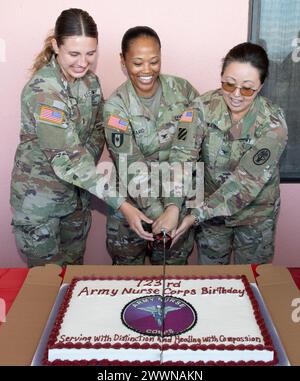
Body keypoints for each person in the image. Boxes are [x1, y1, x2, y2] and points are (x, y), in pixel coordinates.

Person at [10, 9, 152, 268]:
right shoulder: (44, 91)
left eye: (90, 53)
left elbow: (99, 127)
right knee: (46, 285)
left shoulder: (90, 83)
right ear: (56, 46)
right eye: (74, 54)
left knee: (72, 279)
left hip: (76, 200)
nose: (83, 62)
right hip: (41, 206)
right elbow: (70, 161)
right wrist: (123, 205)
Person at [168, 42, 288, 264]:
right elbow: (181, 158)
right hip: (213, 219)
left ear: (261, 86)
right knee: (212, 282)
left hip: (255, 218)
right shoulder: (201, 107)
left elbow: (245, 184)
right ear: (221, 77)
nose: (236, 95)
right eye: (229, 84)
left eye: (247, 88)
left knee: (254, 281)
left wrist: (195, 215)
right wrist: (173, 206)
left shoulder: (273, 124)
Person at [104, 26, 200, 265]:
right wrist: (161, 215)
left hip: (177, 202)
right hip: (131, 209)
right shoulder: (116, 107)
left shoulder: (184, 92)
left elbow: (188, 151)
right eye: (137, 63)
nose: (147, 70)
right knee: (126, 284)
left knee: (173, 283)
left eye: (154, 61)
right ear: (123, 61)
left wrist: (174, 207)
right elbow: (130, 164)